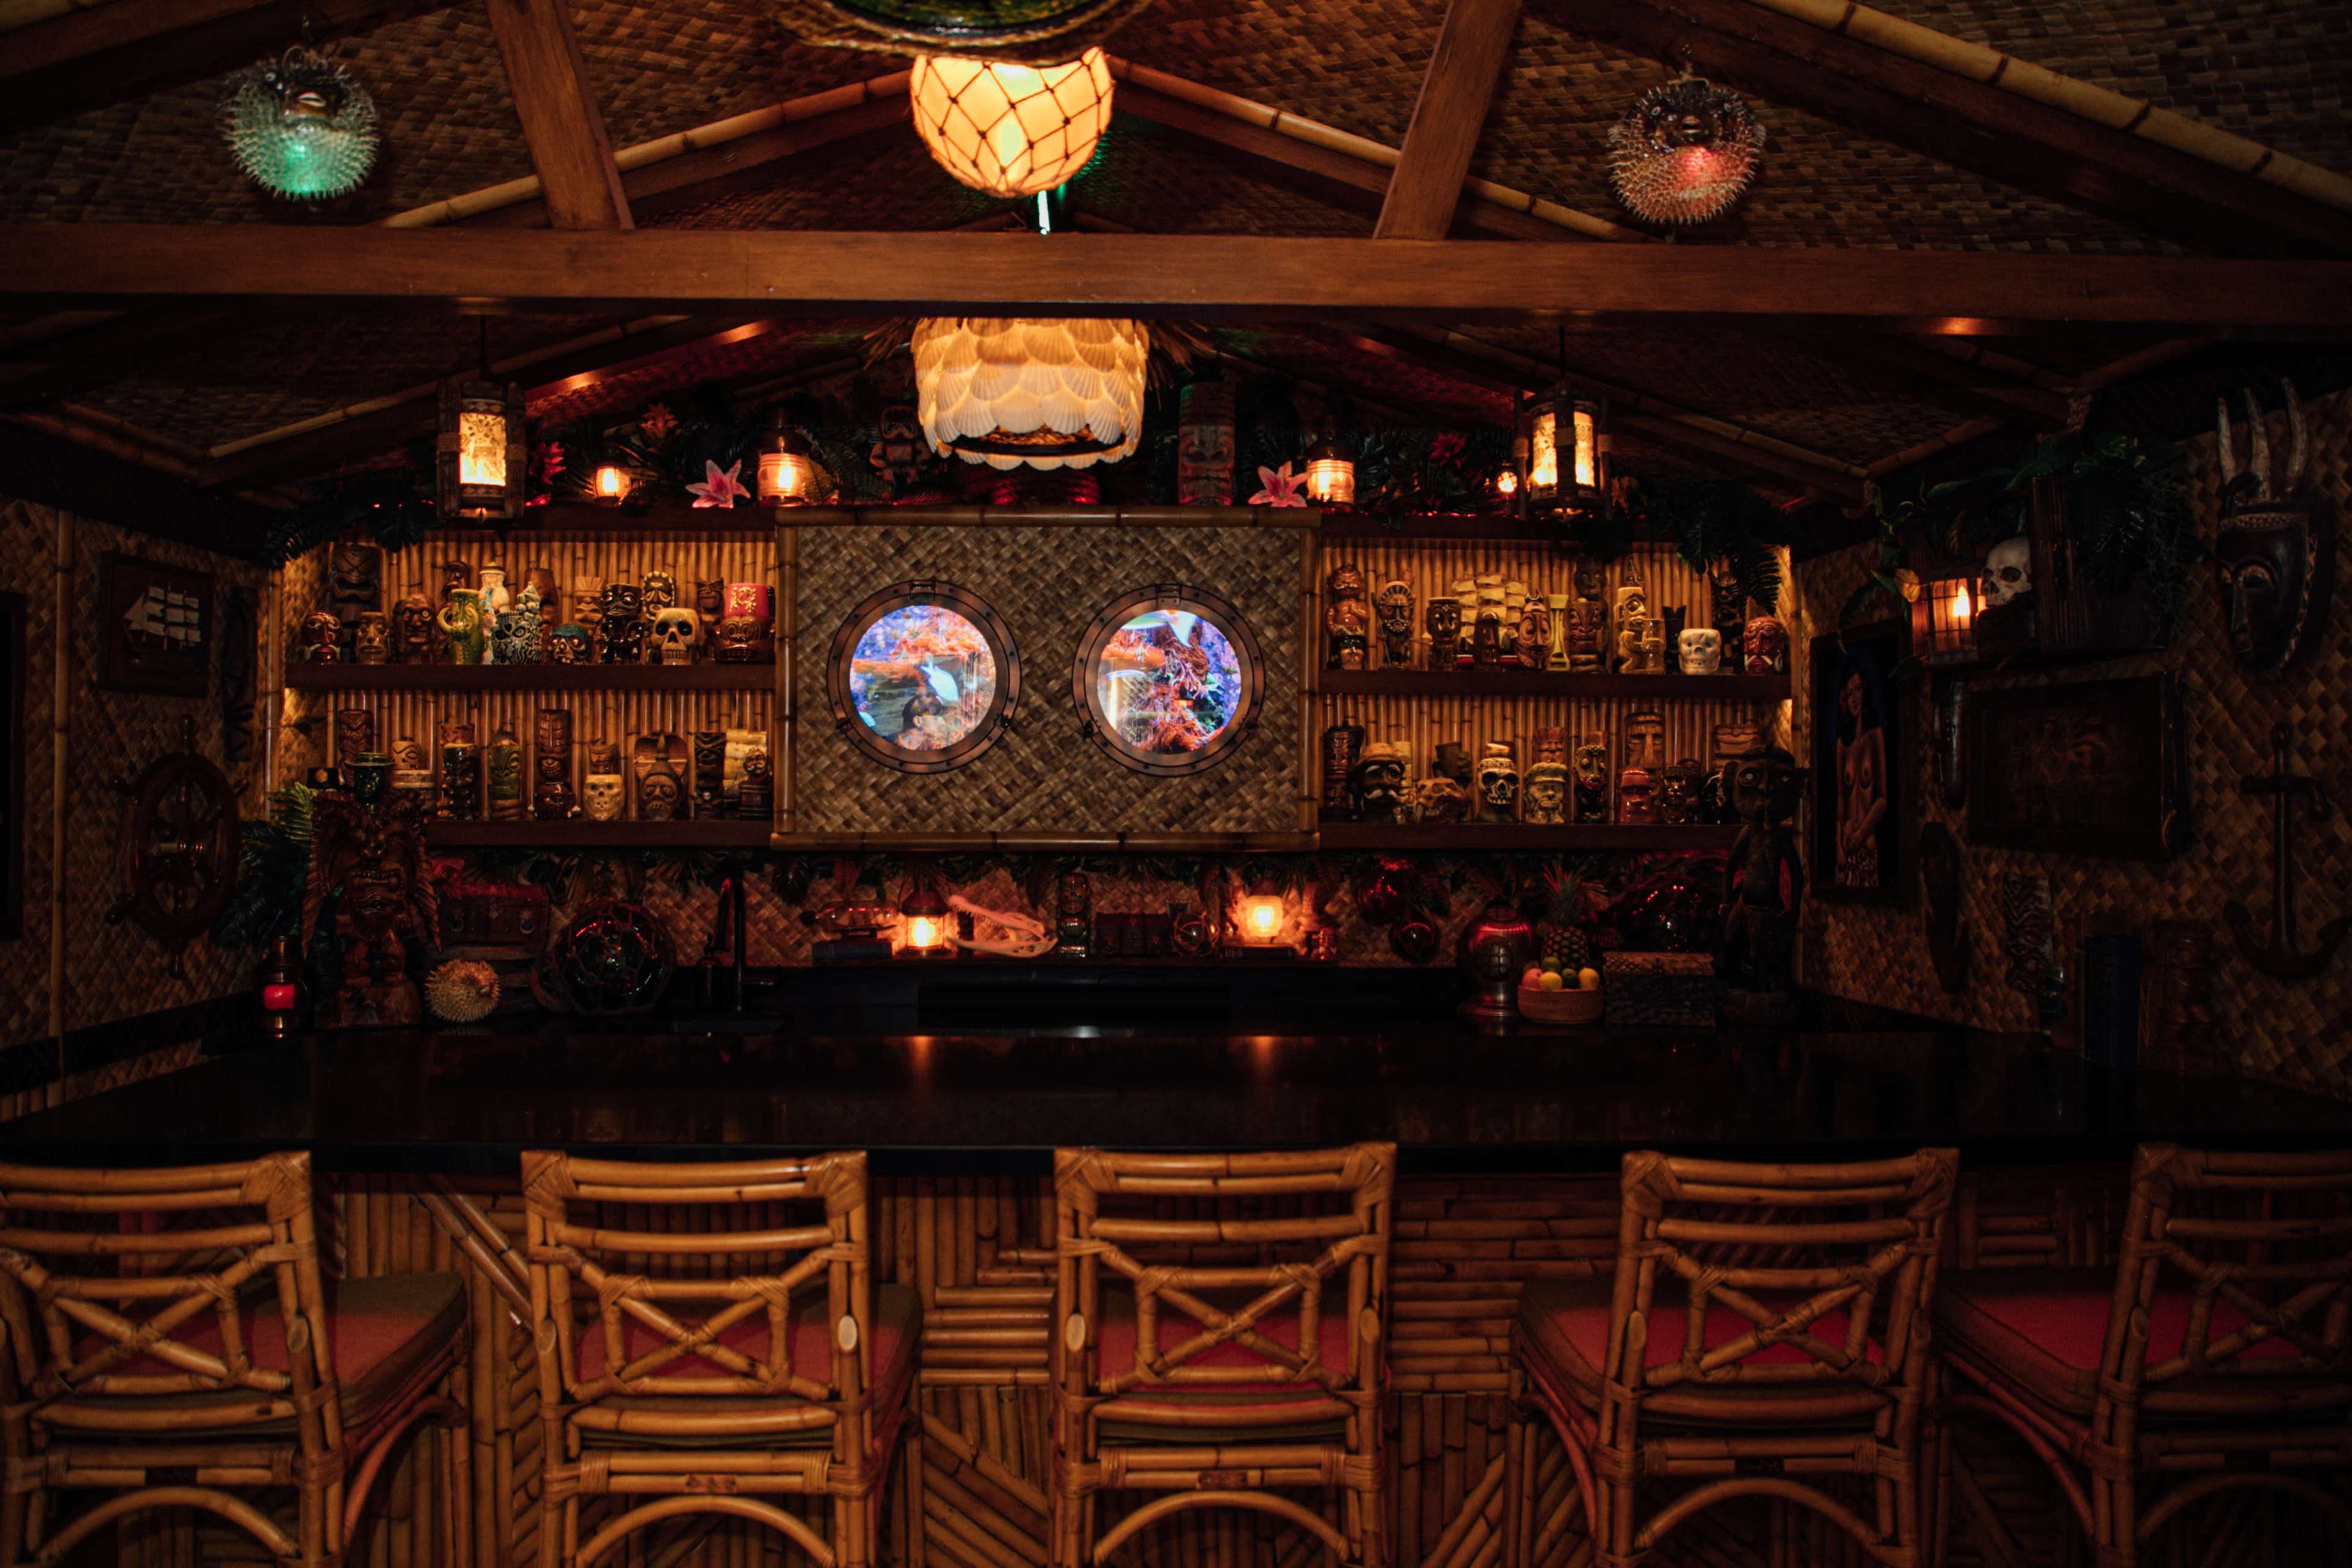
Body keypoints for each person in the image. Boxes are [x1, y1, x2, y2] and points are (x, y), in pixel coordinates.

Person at [1831, 647, 1889, 889]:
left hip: (1865, 843)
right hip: (1846, 846)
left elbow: (1883, 799)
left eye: (1858, 690)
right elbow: (1841, 800)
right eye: (1850, 692)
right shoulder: (1842, 745)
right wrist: (1839, 846)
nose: (1854, 698)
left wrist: (1861, 833)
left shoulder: (1875, 736)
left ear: (1866, 692)